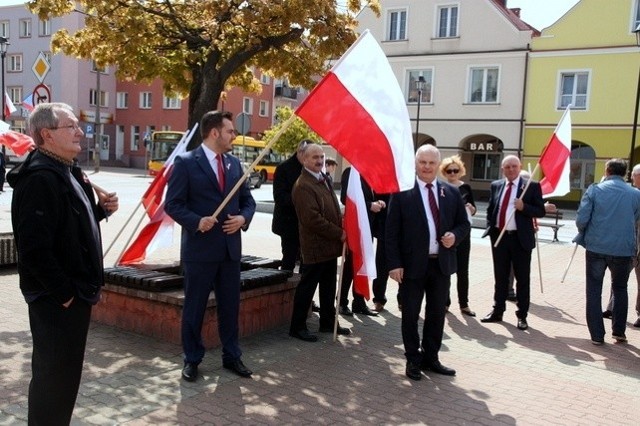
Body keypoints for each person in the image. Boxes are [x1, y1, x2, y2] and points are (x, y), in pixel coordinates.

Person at [7, 102, 119, 424]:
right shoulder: (40, 178)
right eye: (70, 126)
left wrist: (99, 211)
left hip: (73, 296)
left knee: (65, 379)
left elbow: (66, 228)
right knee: (52, 381)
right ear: (47, 134)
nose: (80, 132)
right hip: (57, 302)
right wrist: (65, 294)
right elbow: (34, 249)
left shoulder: (66, 170)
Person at [165, 110, 256, 381]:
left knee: (230, 307)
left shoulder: (234, 165)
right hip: (200, 251)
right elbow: (173, 204)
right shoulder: (185, 163)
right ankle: (192, 359)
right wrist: (196, 221)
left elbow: (248, 201)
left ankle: (232, 355)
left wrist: (242, 218)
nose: (234, 136)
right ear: (215, 132)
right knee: (195, 307)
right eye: (230, 131)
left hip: (229, 251)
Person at [386, 144, 470, 381]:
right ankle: (413, 359)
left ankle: (431, 357)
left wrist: (454, 236)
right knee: (410, 314)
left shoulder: (451, 192)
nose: (427, 167)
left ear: (438, 165)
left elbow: (463, 224)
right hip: (412, 266)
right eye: (422, 162)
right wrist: (394, 264)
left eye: (432, 163)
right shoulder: (402, 191)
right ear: (416, 163)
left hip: (441, 265)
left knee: (436, 314)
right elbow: (391, 232)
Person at [289, 143, 351, 342]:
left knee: (328, 287)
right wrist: (339, 233)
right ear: (304, 159)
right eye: (314, 157)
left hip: (329, 247)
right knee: (307, 288)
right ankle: (297, 327)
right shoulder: (303, 185)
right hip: (314, 246)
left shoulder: (322, 178)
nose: (319, 161)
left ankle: (327, 322)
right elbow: (312, 219)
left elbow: (331, 205)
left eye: (321, 157)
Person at [575, 158, 640, 344]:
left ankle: (597, 335)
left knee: (594, 290)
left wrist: (585, 232)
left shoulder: (595, 190)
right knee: (620, 288)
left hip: (596, 246)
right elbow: (636, 216)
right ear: (625, 173)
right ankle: (619, 331)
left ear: (607, 171)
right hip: (623, 248)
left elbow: (581, 219)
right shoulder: (635, 193)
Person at [481, 155, 545, 331]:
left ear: (520, 167)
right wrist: (490, 228)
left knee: (522, 279)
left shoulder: (531, 187)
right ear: (502, 169)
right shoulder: (496, 186)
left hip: (520, 239)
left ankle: (522, 315)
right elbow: (490, 209)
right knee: (500, 277)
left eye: (514, 166)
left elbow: (540, 210)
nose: (511, 169)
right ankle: (497, 311)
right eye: (507, 167)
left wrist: (524, 207)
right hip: (500, 237)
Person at [338, 166, 383, 317]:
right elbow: (345, 198)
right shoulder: (351, 173)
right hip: (355, 227)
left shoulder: (370, 173)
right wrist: (371, 205)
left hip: (367, 227)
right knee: (351, 265)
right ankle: (342, 301)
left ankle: (359, 302)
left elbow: (369, 196)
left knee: (362, 265)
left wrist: (377, 202)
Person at [602, 163, 640, 329]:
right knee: (618, 279)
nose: (631, 177)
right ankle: (612, 308)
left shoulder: (633, 194)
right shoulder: (631, 193)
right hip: (626, 244)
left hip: (637, 245)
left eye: (634, 175)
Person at [440, 155, 476, 316]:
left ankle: (464, 304)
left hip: (463, 234)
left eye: (455, 170)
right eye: (449, 171)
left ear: (460, 170)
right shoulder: (441, 188)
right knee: (445, 268)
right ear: (444, 172)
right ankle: (445, 302)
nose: (452, 173)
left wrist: (471, 208)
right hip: (446, 233)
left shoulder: (466, 187)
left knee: (463, 270)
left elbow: (474, 209)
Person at [272, 140, 309, 272]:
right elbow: (279, 197)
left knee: (306, 263)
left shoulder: (311, 169)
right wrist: (302, 201)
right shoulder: (284, 168)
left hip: (307, 225)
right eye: (309, 155)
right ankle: (286, 289)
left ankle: (301, 289)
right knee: (289, 259)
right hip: (288, 223)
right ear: (300, 152)